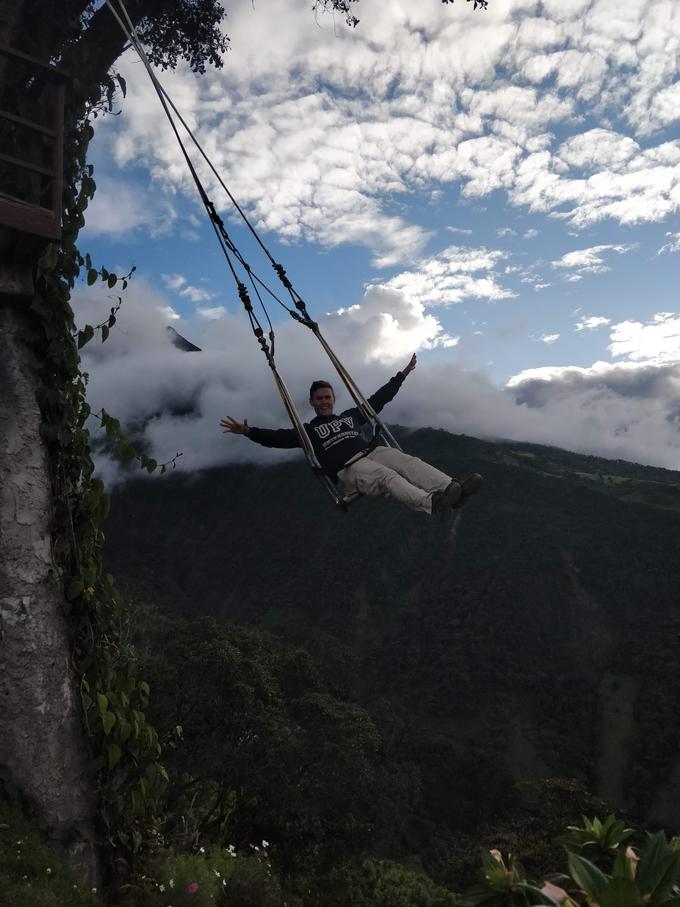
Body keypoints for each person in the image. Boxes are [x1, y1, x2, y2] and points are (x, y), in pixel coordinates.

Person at [220, 353, 481, 519]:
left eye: (327, 397)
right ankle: (432, 504)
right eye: (319, 399)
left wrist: (401, 376)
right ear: (312, 402)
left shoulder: (349, 416)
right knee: (385, 477)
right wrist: (248, 432)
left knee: (406, 461)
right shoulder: (307, 432)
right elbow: (277, 438)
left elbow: (377, 401)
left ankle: (450, 489)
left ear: (333, 399)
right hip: (349, 469)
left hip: (371, 452)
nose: (324, 402)